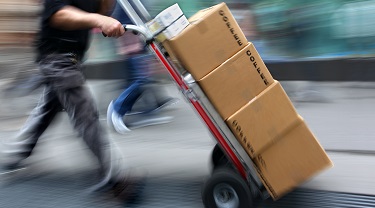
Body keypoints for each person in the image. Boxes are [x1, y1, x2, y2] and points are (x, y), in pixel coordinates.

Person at [1, 0, 142, 200]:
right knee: (85, 114)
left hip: (72, 58)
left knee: (47, 110)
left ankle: (17, 152)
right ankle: (114, 177)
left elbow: (102, 12)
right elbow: (58, 15)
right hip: (56, 58)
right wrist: (99, 19)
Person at [107, 3, 178, 134]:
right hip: (134, 40)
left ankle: (146, 109)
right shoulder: (125, 4)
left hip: (139, 38)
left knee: (141, 79)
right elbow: (125, 17)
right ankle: (117, 109)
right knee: (142, 79)